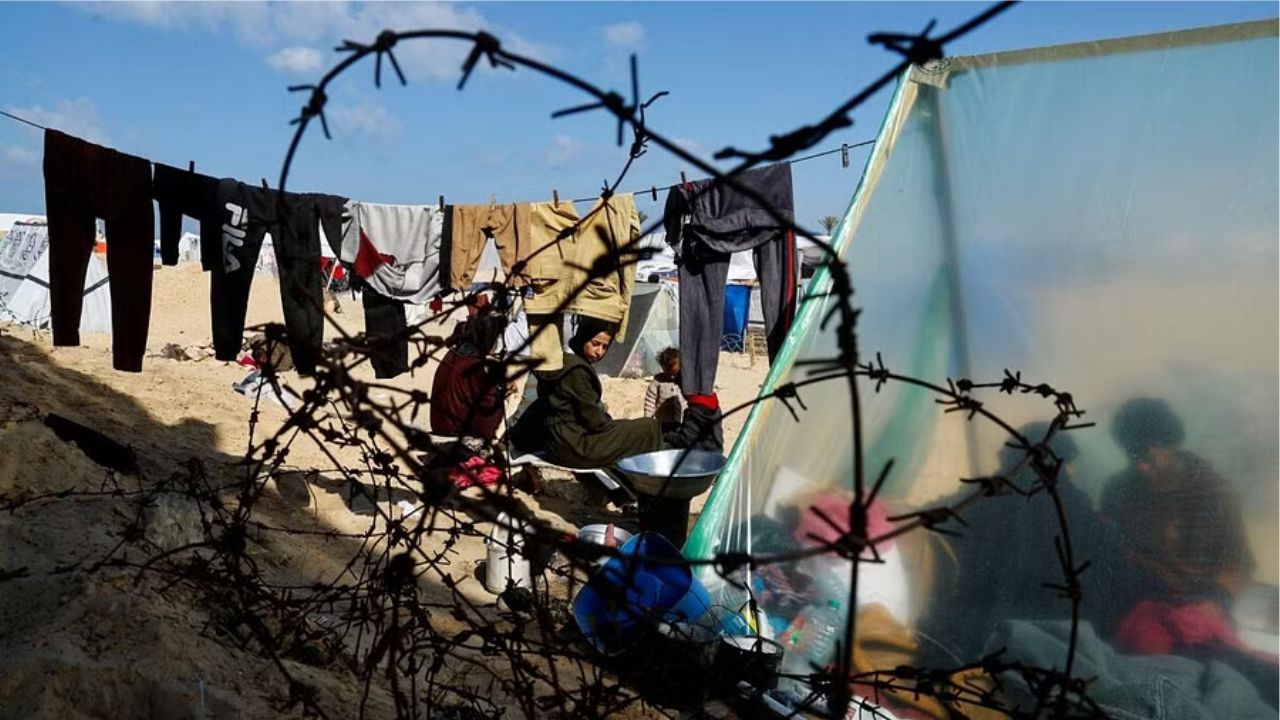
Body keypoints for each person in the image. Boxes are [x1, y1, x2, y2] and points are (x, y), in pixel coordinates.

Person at [510, 316, 663, 468]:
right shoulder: (577, 370)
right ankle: (648, 482)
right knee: (649, 427)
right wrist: (615, 425)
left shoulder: (559, 361)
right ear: (584, 337)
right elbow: (595, 422)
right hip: (576, 448)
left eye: (604, 347)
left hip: (555, 445)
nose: (599, 352)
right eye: (595, 344)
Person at [644, 347, 686, 433]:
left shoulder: (683, 380)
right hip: (663, 421)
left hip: (681, 421)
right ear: (662, 367)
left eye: (675, 373)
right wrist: (648, 420)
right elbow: (650, 401)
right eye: (668, 373)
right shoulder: (658, 381)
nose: (672, 377)